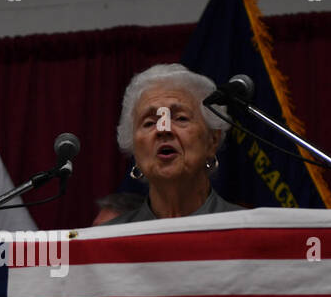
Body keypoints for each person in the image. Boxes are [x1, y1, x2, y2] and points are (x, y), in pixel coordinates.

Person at [103, 64, 243, 224]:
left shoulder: (249, 231)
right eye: (149, 123)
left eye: (180, 118)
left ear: (212, 140)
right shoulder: (109, 239)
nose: (163, 129)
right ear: (134, 148)